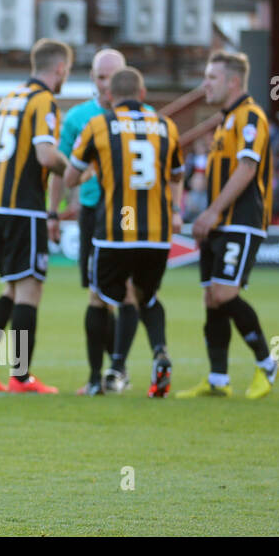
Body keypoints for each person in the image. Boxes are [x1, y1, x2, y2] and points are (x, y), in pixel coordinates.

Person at [64, 68, 183, 397]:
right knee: (146, 295)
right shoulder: (165, 125)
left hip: (120, 225)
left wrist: (92, 170)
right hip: (157, 231)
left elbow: (71, 177)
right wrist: (175, 211)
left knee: (99, 298)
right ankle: (154, 353)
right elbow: (177, 174)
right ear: (143, 95)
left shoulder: (99, 124)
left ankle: (94, 379)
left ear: (110, 98)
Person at [0, 38, 71, 394]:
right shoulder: (44, 102)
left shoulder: (8, 99)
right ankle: (21, 376)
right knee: (30, 290)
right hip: (23, 206)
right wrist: (74, 171)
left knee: (11, 288)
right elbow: (45, 155)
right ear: (59, 68)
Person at [49, 48, 157, 395]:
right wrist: (54, 211)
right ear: (93, 79)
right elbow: (59, 169)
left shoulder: (148, 118)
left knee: (126, 292)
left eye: (114, 77)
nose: (107, 85)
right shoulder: (80, 117)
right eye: (100, 77)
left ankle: (116, 370)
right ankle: (100, 376)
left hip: (129, 213)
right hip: (95, 212)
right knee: (98, 293)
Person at [178, 51, 279, 399]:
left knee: (225, 293)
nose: (205, 83)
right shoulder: (224, 122)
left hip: (241, 220)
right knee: (211, 299)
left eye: (212, 77)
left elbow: (247, 169)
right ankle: (218, 379)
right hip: (219, 222)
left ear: (234, 81)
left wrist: (212, 212)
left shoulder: (250, 116)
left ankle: (267, 363)